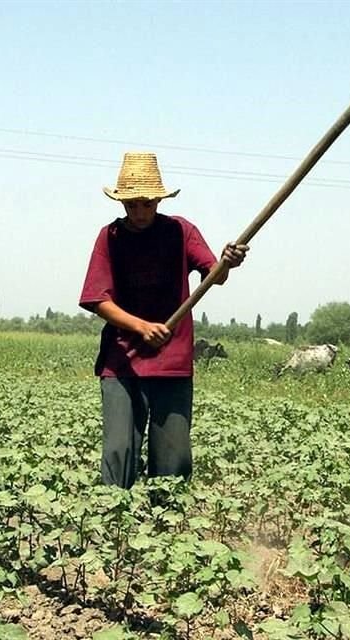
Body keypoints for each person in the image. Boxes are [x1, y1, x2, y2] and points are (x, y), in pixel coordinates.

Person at [79, 152, 248, 489]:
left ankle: (165, 532)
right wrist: (141, 326)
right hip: (122, 362)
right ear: (123, 202)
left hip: (172, 363)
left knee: (173, 459)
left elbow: (214, 275)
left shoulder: (180, 231)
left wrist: (227, 262)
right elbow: (97, 300)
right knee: (119, 451)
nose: (140, 213)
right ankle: (116, 525)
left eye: (147, 204)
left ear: (158, 199)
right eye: (132, 205)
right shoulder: (109, 237)